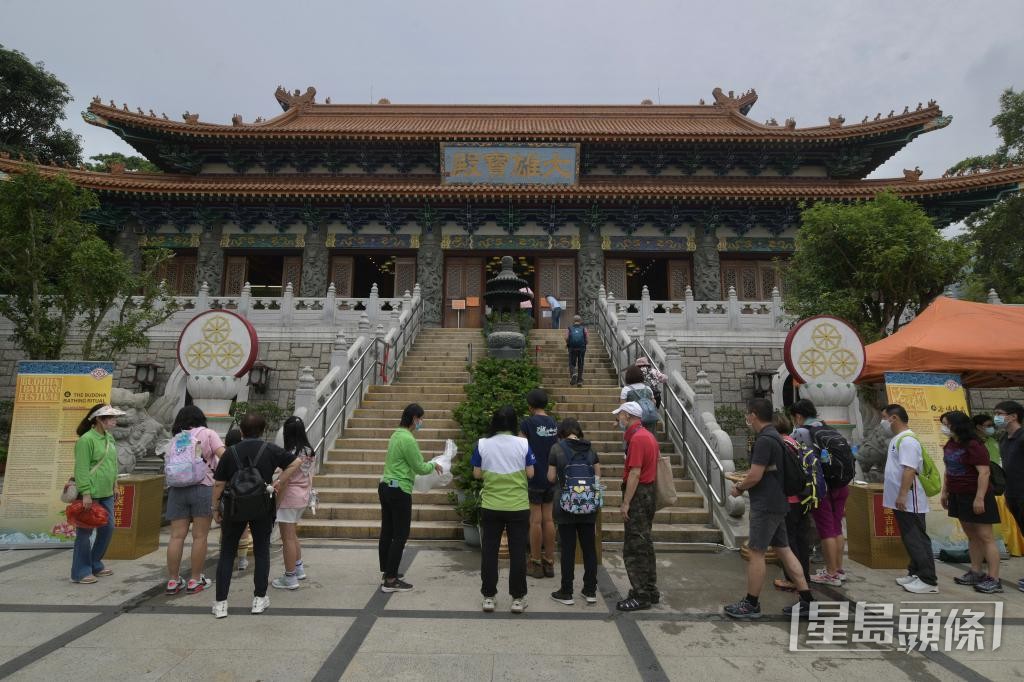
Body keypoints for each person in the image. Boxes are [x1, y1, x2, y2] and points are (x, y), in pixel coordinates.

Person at [724, 398, 814, 619]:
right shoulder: (775, 436)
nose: (746, 417)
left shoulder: (765, 440)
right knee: (784, 550)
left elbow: (754, 476)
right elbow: (766, 471)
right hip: (778, 501)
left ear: (753, 414)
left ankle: (751, 603)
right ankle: (807, 601)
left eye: (747, 414)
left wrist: (738, 488)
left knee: (756, 552)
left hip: (766, 504)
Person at [211, 413, 301, 618]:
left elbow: (218, 484)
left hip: (234, 507)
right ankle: (259, 599)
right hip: (261, 507)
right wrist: (279, 481)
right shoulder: (269, 449)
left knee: (227, 553)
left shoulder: (230, 452)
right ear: (262, 431)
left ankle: (221, 603)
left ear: (241, 431)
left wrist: (215, 508)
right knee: (261, 551)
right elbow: (295, 462)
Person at [472, 405, 535, 614]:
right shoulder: (523, 443)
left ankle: (488, 597)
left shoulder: (482, 444)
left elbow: (477, 474)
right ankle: (517, 599)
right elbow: (531, 472)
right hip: (518, 506)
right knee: (518, 552)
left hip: (491, 505)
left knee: (489, 552)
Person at [378, 404, 440, 593]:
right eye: (421, 418)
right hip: (399, 490)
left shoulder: (396, 434)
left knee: (387, 531)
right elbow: (420, 467)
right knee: (401, 535)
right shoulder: (408, 439)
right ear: (414, 418)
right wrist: (434, 465)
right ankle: (391, 579)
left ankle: (387, 571)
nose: (422, 422)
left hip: (385, 486)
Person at [165, 405, 225, 595]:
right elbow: (224, 456)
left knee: (176, 536)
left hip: (177, 489)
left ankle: (173, 581)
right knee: (200, 536)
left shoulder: (177, 439)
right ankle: (195, 579)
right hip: (203, 487)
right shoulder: (207, 434)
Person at [940, 410, 1002, 593]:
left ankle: (994, 578)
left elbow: (984, 472)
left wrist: (979, 498)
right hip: (957, 495)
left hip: (976, 496)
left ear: (957, 425)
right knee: (972, 535)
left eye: (946, 423)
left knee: (985, 536)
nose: (943, 427)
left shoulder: (974, 445)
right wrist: (945, 492)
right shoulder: (951, 443)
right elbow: (948, 469)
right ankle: (975, 571)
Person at [790, 399, 849, 587]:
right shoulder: (828, 429)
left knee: (826, 530)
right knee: (837, 527)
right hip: (841, 485)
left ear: (798, 416)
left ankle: (831, 573)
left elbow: (794, 455)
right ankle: (838, 569)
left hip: (821, 487)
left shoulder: (802, 432)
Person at [880, 404, 938, 594]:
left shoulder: (907, 441)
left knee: (916, 538)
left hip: (909, 499)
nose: (882, 422)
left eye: (884, 417)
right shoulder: (898, 439)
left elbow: (909, 469)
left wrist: (903, 494)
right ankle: (915, 572)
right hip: (901, 498)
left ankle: (928, 580)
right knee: (909, 537)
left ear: (894, 418)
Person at [547, 418, 601, 605]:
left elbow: (551, 477)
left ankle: (566, 591)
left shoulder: (557, 449)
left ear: (561, 432)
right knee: (589, 549)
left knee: (568, 549)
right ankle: (590, 590)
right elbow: (597, 477)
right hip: (588, 505)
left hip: (565, 505)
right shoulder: (591, 449)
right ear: (578, 431)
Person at [70, 404, 124, 584]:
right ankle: (81, 571)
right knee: (84, 533)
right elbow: (82, 469)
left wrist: (115, 484)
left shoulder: (109, 438)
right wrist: (85, 493)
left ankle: (95, 562)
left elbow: (112, 464)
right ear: (99, 420)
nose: (115, 421)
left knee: (108, 528)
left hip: (107, 491)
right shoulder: (86, 440)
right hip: (90, 493)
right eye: (111, 418)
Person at [613, 401, 660, 611]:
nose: (618, 419)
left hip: (639, 495)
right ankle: (649, 588)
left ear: (629, 416)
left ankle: (641, 594)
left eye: (620, 415)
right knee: (645, 542)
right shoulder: (647, 435)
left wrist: (626, 503)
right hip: (647, 493)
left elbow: (635, 472)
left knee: (634, 547)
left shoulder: (638, 439)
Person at [772, 412, 821, 593]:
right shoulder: (793, 442)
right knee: (801, 540)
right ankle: (804, 578)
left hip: (789, 499)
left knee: (789, 542)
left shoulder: (780, 445)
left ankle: (792, 580)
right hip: (803, 497)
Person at [271, 416, 318, 590]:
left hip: (289, 498)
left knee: (287, 538)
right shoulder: (308, 451)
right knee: (292, 535)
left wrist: (276, 503)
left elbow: (284, 481)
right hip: (303, 496)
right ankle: (298, 568)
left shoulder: (290, 453)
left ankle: (289, 577)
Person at [519, 389, 558, 579]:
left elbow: (521, 448)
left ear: (530, 405)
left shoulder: (527, 423)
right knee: (549, 519)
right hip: (551, 476)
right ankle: (549, 562)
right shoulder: (553, 423)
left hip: (534, 475)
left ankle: (535, 562)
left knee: (535, 520)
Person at [993, 400, 1024, 593]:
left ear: (1013, 416)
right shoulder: (1004, 439)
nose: (996, 416)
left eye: (1000, 413)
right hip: (1012, 494)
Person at [223, 427, 251, 572]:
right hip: (242, 494)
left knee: (226, 528)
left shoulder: (224, 454)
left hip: (226, 495)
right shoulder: (244, 454)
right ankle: (242, 560)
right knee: (244, 528)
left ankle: (226, 556)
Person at [620, 366, 658, 432]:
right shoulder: (648, 388)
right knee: (648, 439)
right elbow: (654, 402)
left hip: (633, 421)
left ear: (628, 376)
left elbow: (623, 407)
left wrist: (619, 420)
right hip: (649, 419)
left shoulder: (626, 390)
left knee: (634, 439)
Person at [566, 314, 588, 386]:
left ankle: (573, 373)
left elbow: (566, 338)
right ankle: (579, 381)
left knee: (572, 363)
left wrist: (567, 344)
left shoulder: (570, 328)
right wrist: (585, 344)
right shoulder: (584, 328)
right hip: (581, 348)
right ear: (580, 321)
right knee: (581, 364)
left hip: (572, 348)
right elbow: (587, 339)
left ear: (573, 321)